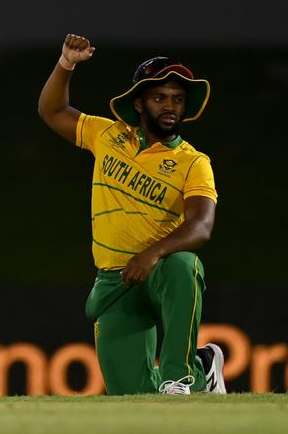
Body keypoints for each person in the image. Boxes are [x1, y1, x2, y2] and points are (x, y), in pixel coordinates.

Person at [37, 34, 227, 395]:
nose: (170, 105)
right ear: (139, 103)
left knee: (184, 264)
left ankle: (180, 375)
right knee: (132, 394)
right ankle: (205, 371)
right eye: (159, 98)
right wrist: (66, 65)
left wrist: (152, 253)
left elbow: (201, 226)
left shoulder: (193, 162)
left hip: (159, 270)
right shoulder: (108, 136)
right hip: (115, 279)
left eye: (177, 98)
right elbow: (52, 111)